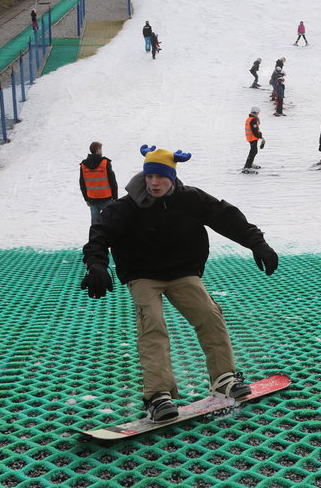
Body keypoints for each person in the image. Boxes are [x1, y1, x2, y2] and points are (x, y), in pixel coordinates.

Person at [81, 145, 278, 422]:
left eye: (160, 177)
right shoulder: (126, 207)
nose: (154, 183)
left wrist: (257, 242)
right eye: (149, 177)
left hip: (181, 271)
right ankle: (158, 396)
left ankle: (223, 379)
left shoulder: (190, 199)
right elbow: (100, 235)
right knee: (153, 325)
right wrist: (97, 264)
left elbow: (227, 217)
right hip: (143, 274)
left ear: (171, 177)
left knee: (210, 315)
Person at [80, 141, 118, 224]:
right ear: (97, 150)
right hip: (107, 198)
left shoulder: (83, 165)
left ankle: (96, 237)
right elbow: (112, 181)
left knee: (95, 225)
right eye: (101, 149)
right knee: (109, 223)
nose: (101, 151)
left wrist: (86, 198)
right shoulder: (105, 163)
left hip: (92, 200)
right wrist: (115, 198)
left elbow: (82, 183)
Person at [244, 107, 264, 172]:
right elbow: (254, 131)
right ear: (255, 112)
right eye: (258, 113)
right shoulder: (253, 120)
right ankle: (247, 166)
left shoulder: (249, 119)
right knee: (253, 151)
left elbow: (255, 129)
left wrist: (259, 134)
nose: (258, 114)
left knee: (253, 151)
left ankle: (249, 164)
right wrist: (260, 136)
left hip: (250, 138)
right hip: (253, 138)